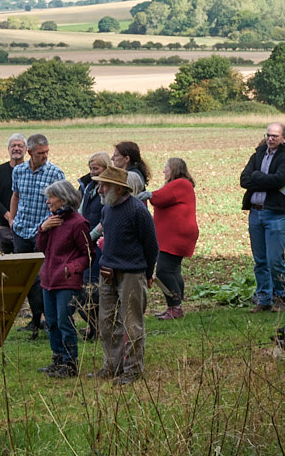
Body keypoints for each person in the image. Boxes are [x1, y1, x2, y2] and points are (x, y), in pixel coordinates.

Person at [90, 161, 156, 384]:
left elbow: (151, 245)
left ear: (119, 188)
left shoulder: (137, 210)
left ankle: (133, 370)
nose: (99, 190)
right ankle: (112, 366)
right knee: (106, 322)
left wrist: (148, 273)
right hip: (107, 272)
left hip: (131, 274)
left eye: (104, 186)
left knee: (132, 323)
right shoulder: (106, 208)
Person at [9, 134, 66, 335]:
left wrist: (52, 224)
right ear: (30, 152)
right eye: (41, 153)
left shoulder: (55, 173)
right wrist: (12, 219)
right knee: (27, 278)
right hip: (22, 231)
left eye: (47, 152)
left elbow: (64, 203)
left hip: (44, 233)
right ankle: (34, 319)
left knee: (43, 277)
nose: (45, 156)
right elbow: (15, 196)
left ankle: (48, 319)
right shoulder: (18, 171)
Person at [35, 179, 92, 377]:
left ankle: (70, 364)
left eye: (51, 197)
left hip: (67, 282)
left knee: (64, 321)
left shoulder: (78, 224)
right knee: (51, 321)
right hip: (48, 280)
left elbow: (88, 255)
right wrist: (43, 229)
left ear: (63, 199)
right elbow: (41, 247)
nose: (48, 202)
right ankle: (57, 358)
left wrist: (71, 268)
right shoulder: (52, 221)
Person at [239, 122, 285, 314]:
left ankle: (282, 297)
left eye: (275, 136)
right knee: (260, 260)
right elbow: (244, 180)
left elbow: (280, 180)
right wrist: (263, 179)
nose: (271, 139)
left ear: (283, 138)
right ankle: (264, 298)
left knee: (274, 259)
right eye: (268, 135)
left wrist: (257, 178)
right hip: (255, 213)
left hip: (276, 215)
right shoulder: (257, 156)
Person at [148, 157, 199, 320]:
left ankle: (175, 306)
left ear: (175, 169)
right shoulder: (182, 185)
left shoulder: (181, 184)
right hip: (173, 236)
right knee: (173, 270)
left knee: (164, 271)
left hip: (175, 237)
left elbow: (158, 198)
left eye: (166, 168)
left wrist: (148, 194)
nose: (164, 171)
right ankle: (175, 306)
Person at [0, 134, 29, 259]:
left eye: (20, 146)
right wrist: (9, 216)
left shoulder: (30, 172)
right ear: (8, 149)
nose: (16, 148)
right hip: (1, 225)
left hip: (25, 227)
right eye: (13, 146)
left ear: (26, 150)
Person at [78, 151, 109, 285]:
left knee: (93, 281)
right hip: (86, 240)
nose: (92, 172)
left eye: (96, 169)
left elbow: (106, 219)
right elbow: (81, 210)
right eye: (91, 169)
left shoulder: (109, 190)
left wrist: (91, 236)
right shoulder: (89, 187)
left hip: (100, 243)